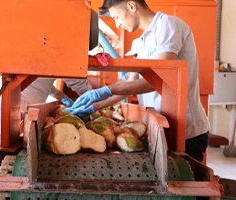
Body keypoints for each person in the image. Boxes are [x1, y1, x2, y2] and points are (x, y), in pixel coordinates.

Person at [67, 0, 210, 162]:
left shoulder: (168, 25)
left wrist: (107, 90)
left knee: (182, 183)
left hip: (186, 131)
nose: (117, 24)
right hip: (162, 126)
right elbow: (130, 85)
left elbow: (161, 78)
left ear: (131, 6)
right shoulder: (141, 42)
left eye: (116, 17)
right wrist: (94, 106)